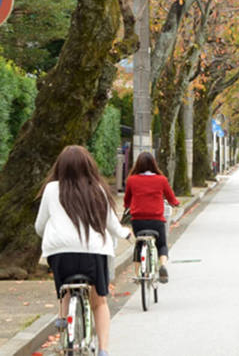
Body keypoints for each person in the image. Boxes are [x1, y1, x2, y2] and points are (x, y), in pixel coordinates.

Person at [35, 145, 131, 356]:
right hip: (94, 252)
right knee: (99, 302)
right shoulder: (98, 188)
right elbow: (112, 224)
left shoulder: (51, 189)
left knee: (66, 286)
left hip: (60, 253)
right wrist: (125, 233)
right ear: (89, 166)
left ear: (60, 167)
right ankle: (103, 350)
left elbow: (39, 226)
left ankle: (63, 315)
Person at [124, 152, 179, 283]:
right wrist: (176, 203)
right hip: (156, 221)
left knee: (139, 244)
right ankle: (163, 266)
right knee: (161, 245)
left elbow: (127, 200)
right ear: (154, 164)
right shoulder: (161, 180)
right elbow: (171, 198)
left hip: (138, 222)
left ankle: (138, 274)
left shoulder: (131, 180)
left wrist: (127, 206)